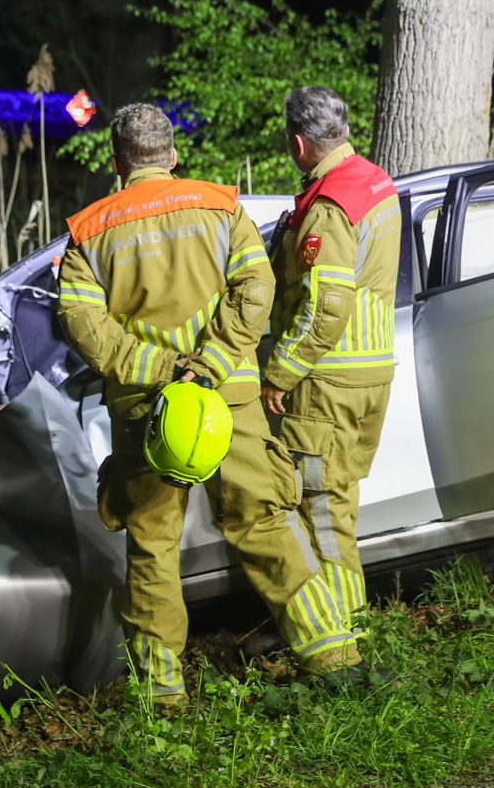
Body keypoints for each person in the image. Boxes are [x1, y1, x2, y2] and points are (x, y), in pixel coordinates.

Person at [58, 103, 290, 703]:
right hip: (228, 398)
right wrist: (209, 363)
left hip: (146, 411)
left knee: (154, 545)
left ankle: (161, 695)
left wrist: (160, 370)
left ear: (116, 163)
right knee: (262, 522)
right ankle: (335, 654)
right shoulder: (220, 206)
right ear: (174, 155)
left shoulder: (90, 231)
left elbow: (82, 325)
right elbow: (256, 287)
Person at [256, 86, 401, 682]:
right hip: (368, 375)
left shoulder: (329, 206)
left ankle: (344, 655)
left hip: (327, 382)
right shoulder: (374, 181)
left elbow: (327, 305)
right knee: (338, 507)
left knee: (322, 514)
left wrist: (278, 372)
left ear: (298, 143)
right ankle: (348, 632)